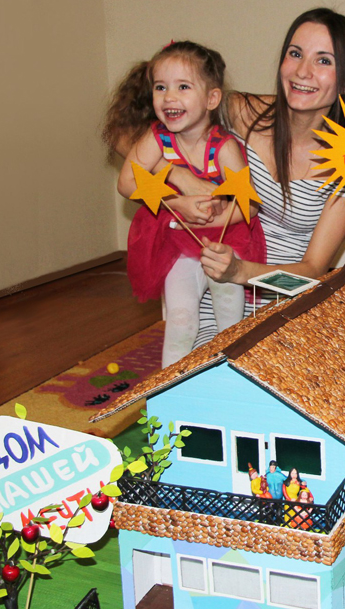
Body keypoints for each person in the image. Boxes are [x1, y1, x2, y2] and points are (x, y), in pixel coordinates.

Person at [166, 9, 345, 346]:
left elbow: (311, 274)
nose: (302, 71)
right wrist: (178, 179)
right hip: (213, 303)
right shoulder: (240, 112)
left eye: (324, 60)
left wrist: (240, 271)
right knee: (203, 368)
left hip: (286, 313)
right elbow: (128, 129)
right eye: (295, 54)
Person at [102, 41, 266, 367]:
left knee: (230, 323)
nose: (169, 97)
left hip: (224, 245)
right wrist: (177, 203)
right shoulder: (156, 138)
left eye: (183, 87)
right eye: (160, 87)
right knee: (179, 320)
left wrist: (209, 220)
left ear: (211, 99)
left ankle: (231, 379)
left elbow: (249, 206)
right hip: (177, 243)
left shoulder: (223, 147)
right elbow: (126, 182)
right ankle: (167, 389)